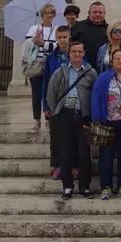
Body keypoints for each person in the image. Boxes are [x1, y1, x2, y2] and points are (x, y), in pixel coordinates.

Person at [46, 41, 98, 200]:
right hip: (65, 115)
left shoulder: (90, 72)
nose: (77, 54)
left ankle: (84, 187)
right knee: (65, 153)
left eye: (80, 51)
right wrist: (56, 111)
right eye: (74, 51)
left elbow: (94, 94)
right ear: (69, 53)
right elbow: (51, 93)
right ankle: (67, 186)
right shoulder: (60, 72)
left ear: (83, 53)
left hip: (82, 116)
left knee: (84, 154)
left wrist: (91, 116)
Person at [91, 48, 121, 201]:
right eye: (116, 58)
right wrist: (97, 119)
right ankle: (106, 186)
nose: (119, 61)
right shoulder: (104, 78)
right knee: (106, 156)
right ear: (111, 61)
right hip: (108, 122)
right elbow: (96, 99)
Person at [42, 25, 73, 178]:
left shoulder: (76, 54)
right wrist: (45, 105)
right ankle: (56, 164)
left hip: (72, 102)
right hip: (55, 102)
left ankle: (73, 165)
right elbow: (45, 82)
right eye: (59, 37)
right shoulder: (51, 58)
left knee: (72, 136)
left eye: (64, 37)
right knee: (56, 135)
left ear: (69, 37)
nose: (62, 40)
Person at [26, 3, 58, 130]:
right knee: (36, 94)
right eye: (46, 13)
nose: (49, 15)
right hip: (36, 65)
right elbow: (27, 46)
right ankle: (37, 120)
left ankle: (49, 119)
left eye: (51, 13)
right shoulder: (34, 29)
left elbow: (58, 46)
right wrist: (35, 39)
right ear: (42, 14)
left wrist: (43, 44)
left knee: (49, 93)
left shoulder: (57, 29)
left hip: (51, 65)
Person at [71, 2, 108, 68]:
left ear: (104, 13)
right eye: (94, 12)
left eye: (100, 12)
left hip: (103, 69)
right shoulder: (77, 27)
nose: (97, 14)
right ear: (89, 12)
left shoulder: (109, 30)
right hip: (82, 68)